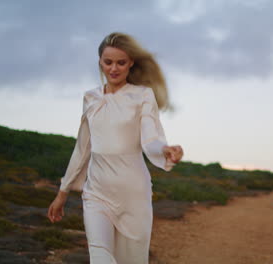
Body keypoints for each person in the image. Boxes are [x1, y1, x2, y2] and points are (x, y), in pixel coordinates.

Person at [47, 32, 183, 264]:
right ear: (100, 62)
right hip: (96, 192)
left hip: (133, 194)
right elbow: (83, 148)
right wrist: (62, 193)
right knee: (100, 258)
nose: (114, 68)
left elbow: (150, 139)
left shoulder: (142, 96)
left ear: (131, 63)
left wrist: (165, 150)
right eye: (108, 62)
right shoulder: (90, 98)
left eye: (121, 62)